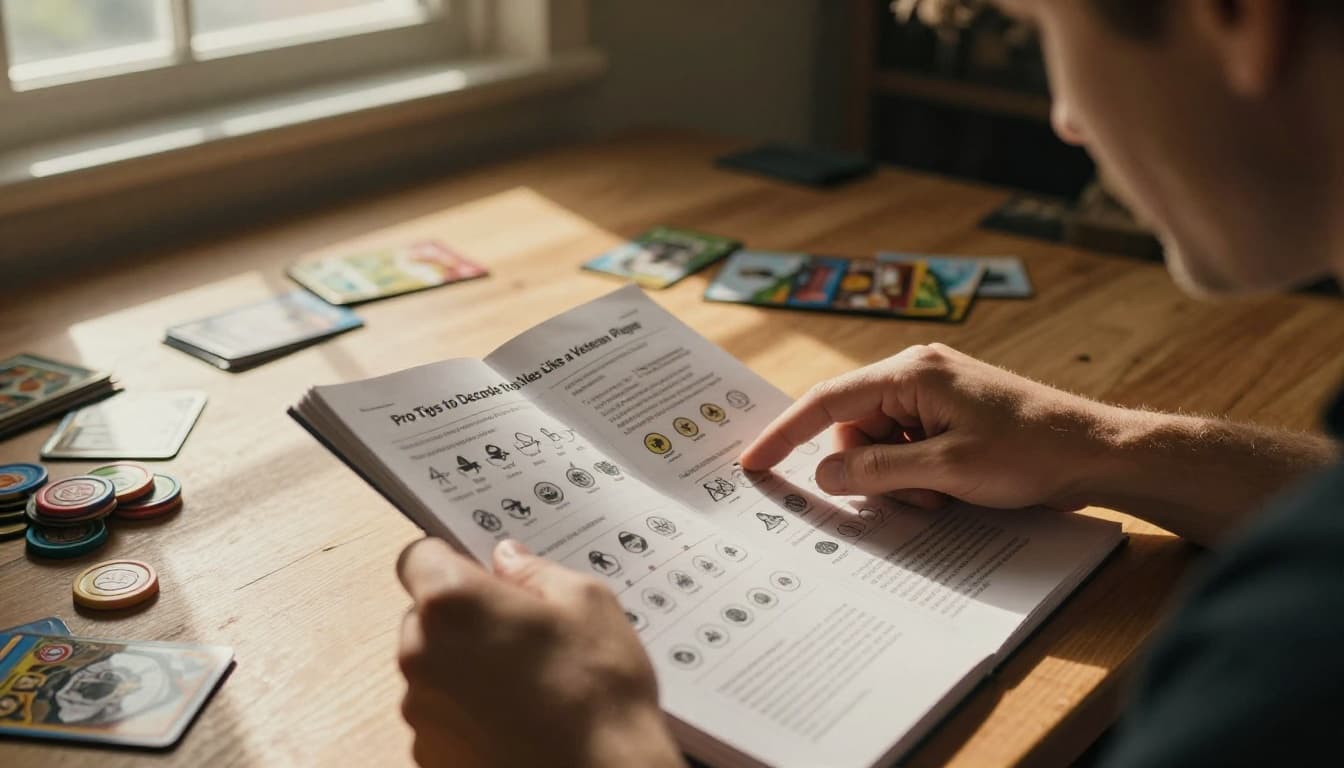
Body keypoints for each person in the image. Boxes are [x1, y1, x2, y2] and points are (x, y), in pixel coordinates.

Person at [395, 1, 1344, 765]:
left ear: (1237, 16)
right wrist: (1108, 446)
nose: (1066, 116)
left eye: (1045, 29)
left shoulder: (1296, 653)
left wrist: (592, 746)